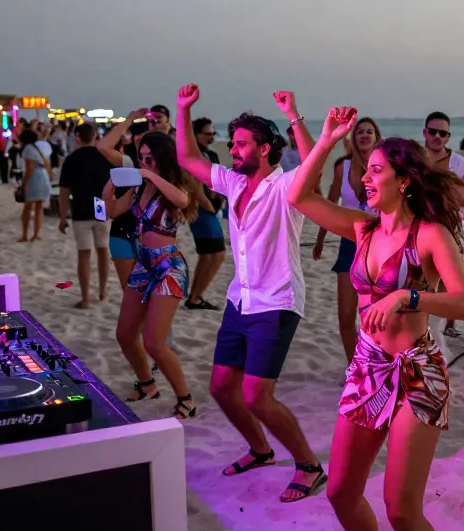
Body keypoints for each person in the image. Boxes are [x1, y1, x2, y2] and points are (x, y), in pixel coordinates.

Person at [288, 107, 464, 531]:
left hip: (418, 372)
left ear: (405, 179)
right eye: (366, 171)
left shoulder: (430, 235)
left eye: (377, 171)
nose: (366, 180)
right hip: (368, 368)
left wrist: (408, 297)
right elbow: (299, 196)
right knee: (339, 491)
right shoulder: (364, 229)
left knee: (400, 509)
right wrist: (329, 138)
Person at [175, 84, 326, 503]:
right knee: (223, 388)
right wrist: (183, 109)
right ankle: (260, 450)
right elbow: (187, 157)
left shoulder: (287, 187)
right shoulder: (234, 183)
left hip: (276, 303)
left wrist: (294, 113)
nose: (233, 149)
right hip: (240, 301)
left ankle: (309, 466)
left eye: (241, 144)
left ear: (263, 149)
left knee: (256, 395)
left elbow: (314, 162)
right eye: (232, 142)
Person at [104, 130, 201, 420]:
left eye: (150, 158)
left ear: (162, 158)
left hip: (168, 266)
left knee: (154, 341)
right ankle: (147, 385)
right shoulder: (138, 187)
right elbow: (112, 211)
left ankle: (186, 399)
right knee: (124, 334)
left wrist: (150, 176)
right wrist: (110, 186)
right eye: (141, 157)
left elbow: (183, 201)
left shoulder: (172, 185)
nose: (144, 162)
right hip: (143, 264)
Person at [313, 116, 383, 362]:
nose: (364, 135)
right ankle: (355, 368)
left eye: (369, 132)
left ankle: (377, 365)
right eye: (360, 132)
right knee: (345, 316)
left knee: (374, 317)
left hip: (380, 245)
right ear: (353, 138)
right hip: (349, 243)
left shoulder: (386, 167)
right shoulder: (342, 166)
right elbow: (331, 203)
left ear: (377, 137)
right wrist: (321, 237)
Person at [422, 111, 464, 338]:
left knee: (449, 280)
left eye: (442, 133)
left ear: (448, 137)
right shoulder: (415, 158)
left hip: (451, 229)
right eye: (432, 131)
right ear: (424, 132)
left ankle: (447, 326)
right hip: (420, 229)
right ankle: (425, 328)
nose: (437, 136)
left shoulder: (459, 163)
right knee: (423, 280)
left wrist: (441, 194)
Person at [58, 122, 123, 308]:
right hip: (100, 207)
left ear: (77, 137)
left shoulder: (71, 160)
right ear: (95, 136)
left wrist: (63, 218)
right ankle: (103, 292)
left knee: (84, 254)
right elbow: (114, 185)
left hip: (80, 208)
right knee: (103, 251)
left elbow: (64, 192)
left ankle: (85, 298)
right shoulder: (104, 157)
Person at [97, 109, 155, 289]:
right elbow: (103, 147)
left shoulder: (167, 170)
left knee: (147, 294)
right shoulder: (130, 164)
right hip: (122, 232)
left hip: (150, 238)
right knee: (131, 293)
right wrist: (129, 119)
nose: (142, 142)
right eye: (139, 138)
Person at [185, 117, 228, 311]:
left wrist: (221, 199)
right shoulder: (193, 157)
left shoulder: (211, 155)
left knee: (208, 254)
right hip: (201, 209)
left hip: (212, 207)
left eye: (213, 134)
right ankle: (195, 297)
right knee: (216, 253)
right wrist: (208, 206)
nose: (211, 137)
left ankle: (195, 296)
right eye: (207, 134)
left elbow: (219, 180)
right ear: (196, 135)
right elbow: (194, 186)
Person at [16, 128, 51, 242]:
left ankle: (25, 234)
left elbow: (29, 169)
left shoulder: (27, 149)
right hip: (43, 176)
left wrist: (23, 184)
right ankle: (36, 234)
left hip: (35, 178)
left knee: (27, 208)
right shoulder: (38, 148)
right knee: (39, 207)